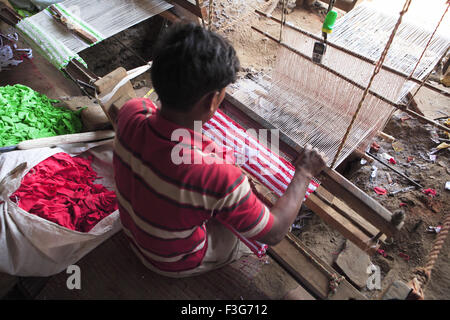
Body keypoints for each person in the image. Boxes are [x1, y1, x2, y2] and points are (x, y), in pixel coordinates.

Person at [112, 22, 327, 278]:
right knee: (238, 235)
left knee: (215, 201)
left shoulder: (132, 111)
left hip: (132, 231)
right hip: (169, 261)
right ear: (212, 99)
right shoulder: (219, 177)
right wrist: (304, 172)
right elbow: (275, 232)